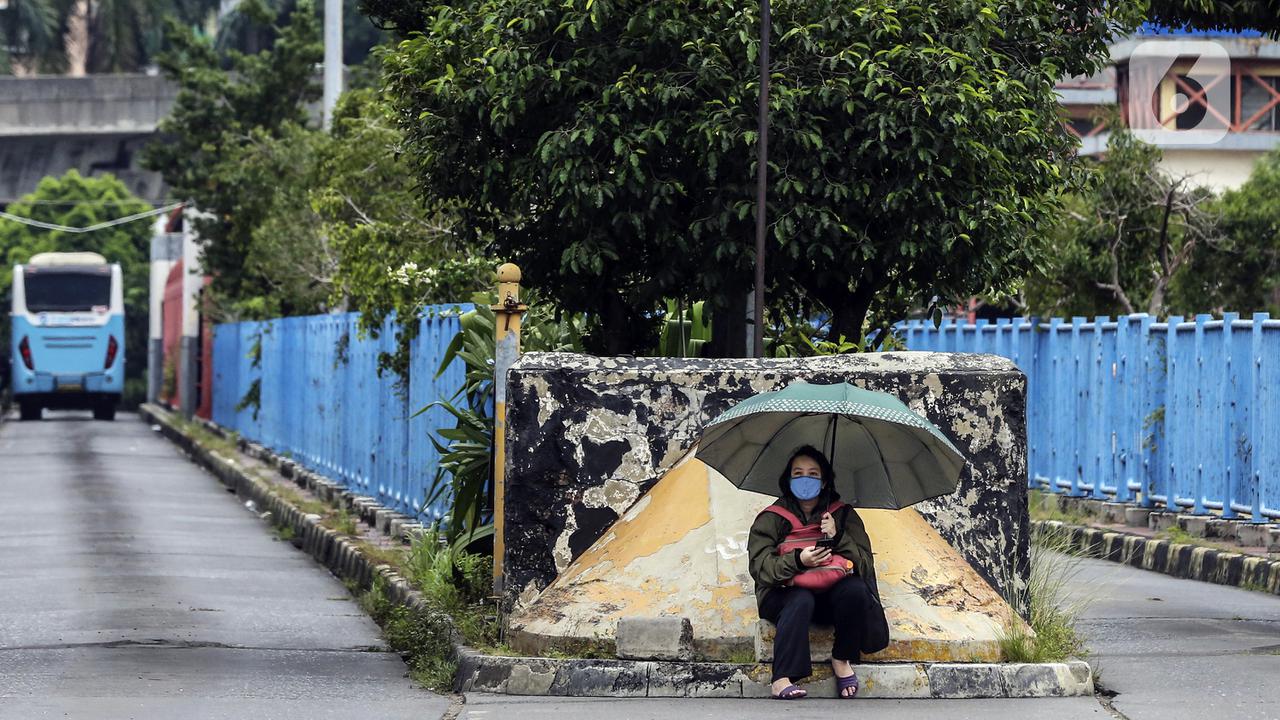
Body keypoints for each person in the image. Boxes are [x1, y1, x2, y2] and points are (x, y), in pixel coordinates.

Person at [747, 445, 888, 700]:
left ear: (824, 482)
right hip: (782, 595)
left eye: (813, 474)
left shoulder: (843, 515)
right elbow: (760, 568)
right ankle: (782, 678)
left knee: (855, 591)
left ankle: (841, 658)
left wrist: (838, 536)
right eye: (798, 473)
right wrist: (799, 561)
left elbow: (865, 565)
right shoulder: (771, 518)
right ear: (788, 479)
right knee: (801, 598)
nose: (805, 479)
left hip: (828, 595)